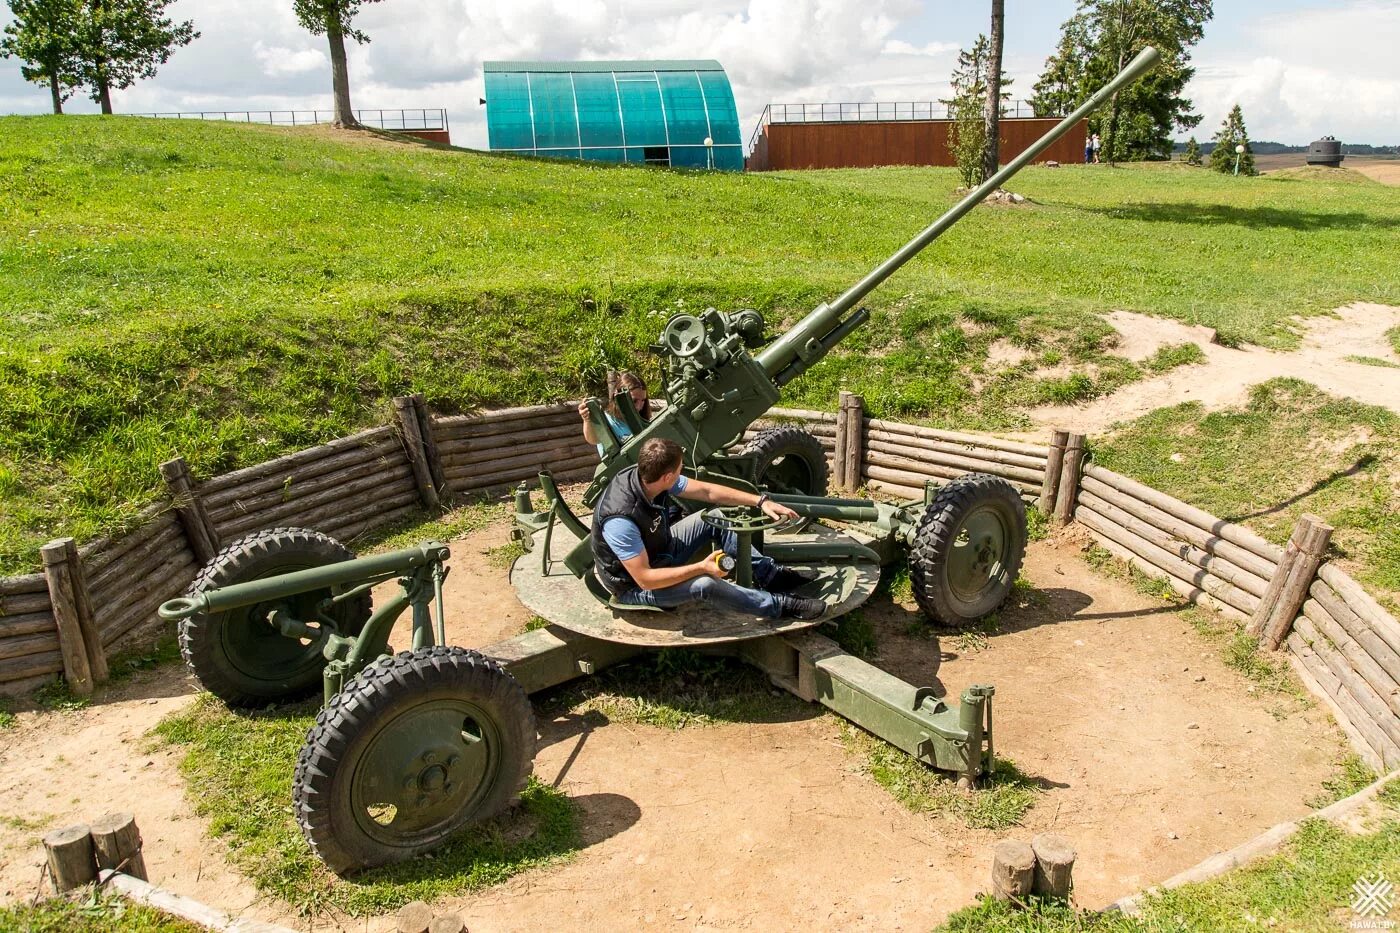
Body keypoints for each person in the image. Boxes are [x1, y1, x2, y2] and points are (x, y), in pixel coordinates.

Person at [591, 437, 826, 620]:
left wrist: (761, 501)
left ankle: (770, 575)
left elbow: (707, 492)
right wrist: (701, 568)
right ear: (668, 476)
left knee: (715, 517)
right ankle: (780, 606)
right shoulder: (620, 520)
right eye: (681, 468)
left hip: (660, 550)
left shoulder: (647, 477)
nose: (682, 472)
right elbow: (645, 579)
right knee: (706, 584)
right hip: (633, 587)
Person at [580, 370, 650, 456]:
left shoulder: (642, 422)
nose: (639, 406)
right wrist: (587, 419)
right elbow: (594, 439)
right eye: (634, 401)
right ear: (619, 398)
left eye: (643, 400)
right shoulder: (607, 421)